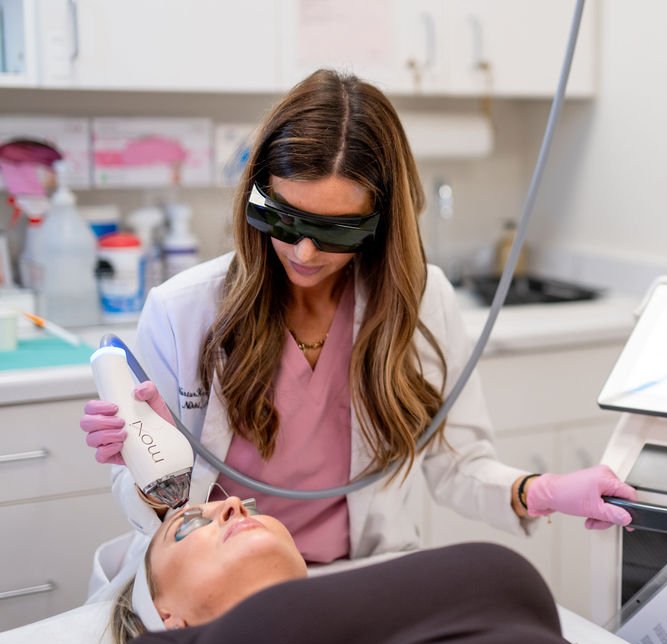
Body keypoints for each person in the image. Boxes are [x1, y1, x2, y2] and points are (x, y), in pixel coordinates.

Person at [79, 69, 637, 600]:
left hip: (360, 582)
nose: (303, 252)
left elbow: (458, 464)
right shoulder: (184, 311)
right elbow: (161, 517)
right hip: (221, 591)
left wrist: (543, 491)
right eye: (285, 219)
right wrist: (150, 470)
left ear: (381, 223)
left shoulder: (420, 303)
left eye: (334, 231)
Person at [105, 495, 631, 644]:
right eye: (190, 527)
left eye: (248, 507)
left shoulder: (387, 588)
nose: (232, 505)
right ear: (169, 615)